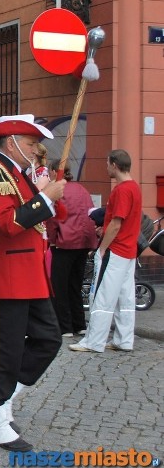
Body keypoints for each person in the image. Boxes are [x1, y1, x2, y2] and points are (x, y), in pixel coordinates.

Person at [0, 114, 65, 452]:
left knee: (48, 339)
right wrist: (46, 197)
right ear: (11, 142)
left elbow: (41, 219)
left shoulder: (19, 174)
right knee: (5, 352)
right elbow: (7, 224)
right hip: (4, 277)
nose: (35, 149)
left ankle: (1, 401)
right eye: (29, 144)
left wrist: (49, 193)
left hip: (28, 276)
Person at [70, 149, 142, 354]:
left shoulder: (121, 190)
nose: (106, 167)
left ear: (115, 165)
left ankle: (94, 341)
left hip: (116, 249)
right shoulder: (134, 187)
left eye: (107, 163)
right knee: (125, 297)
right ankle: (124, 339)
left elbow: (117, 224)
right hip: (128, 250)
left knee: (102, 296)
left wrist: (102, 248)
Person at [45, 161, 97, 338]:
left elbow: (52, 218)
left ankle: (65, 326)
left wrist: (52, 240)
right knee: (75, 284)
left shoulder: (57, 190)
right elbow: (90, 213)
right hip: (83, 241)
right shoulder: (81, 189)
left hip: (65, 241)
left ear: (54, 171)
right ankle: (79, 324)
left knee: (60, 286)